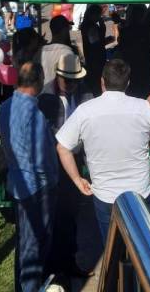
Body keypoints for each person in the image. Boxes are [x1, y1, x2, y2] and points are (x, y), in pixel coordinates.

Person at [55, 59, 150, 244]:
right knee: (147, 246)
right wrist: (144, 142)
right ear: (128, 83)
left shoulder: (85, 111)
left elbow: (62, 147)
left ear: (102, 81)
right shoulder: (143, 107)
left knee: (112, 248)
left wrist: (77, 180)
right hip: (140, 191)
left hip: (105, 195)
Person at [0, 63, 59, 292]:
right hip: (37, 189)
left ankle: (22, 286)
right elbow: (42, 159)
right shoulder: (35, 116)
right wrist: (53, 179)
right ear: (39, 81)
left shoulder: (5, 107)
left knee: (24, 242)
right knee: (34, 247)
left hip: (18, 183)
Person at [38, 53, 97, 277]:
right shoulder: (46, 97)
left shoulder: (85, 93)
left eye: (75, 80)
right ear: (58, 76)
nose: (72, 85)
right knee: (56, 215)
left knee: (71, 213)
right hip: (54, 162)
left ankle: (70, 261)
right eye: (67, 80)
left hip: (76, 158)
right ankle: (54, 267)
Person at [115, 6, 150, 98]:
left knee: (132, 95)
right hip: (145, 70)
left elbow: (120, 51)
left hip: (131, 69)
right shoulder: (149, 32)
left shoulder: (125, 31)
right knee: (145, 96)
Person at [36, 15, 76, 91]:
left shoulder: (40, 51)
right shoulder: (68, 53)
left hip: (41, 95)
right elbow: (71, 84)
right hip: (59, 96)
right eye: (68, 28)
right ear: (64, 30)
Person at [80, 4, 107, 96]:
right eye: (98, 15)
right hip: (95, 59)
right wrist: (103, 30)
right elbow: (95, 44)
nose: (99, 17)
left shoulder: (87, 25)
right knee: (96, 81)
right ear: (93, 14)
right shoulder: (91, 27)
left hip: (91, 57)